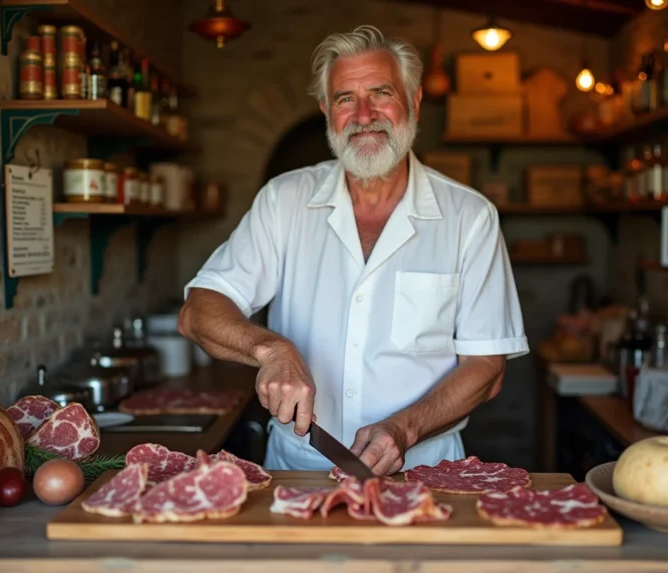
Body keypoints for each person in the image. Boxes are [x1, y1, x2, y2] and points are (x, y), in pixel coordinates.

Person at [178, 25, 528, 475]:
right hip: (299, 468)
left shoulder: (469, 216)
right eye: (345, 98)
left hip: (427, 471)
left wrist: (404, 429)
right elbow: (198, 312)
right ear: (326, 111)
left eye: (381, 92)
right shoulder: (284, 200)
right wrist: (271, 349)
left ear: (414, 101)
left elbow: (486, 365)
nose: (364, 114)